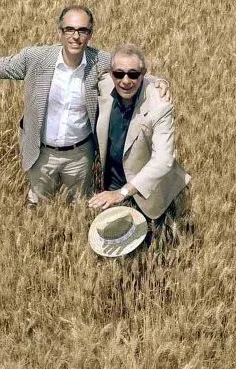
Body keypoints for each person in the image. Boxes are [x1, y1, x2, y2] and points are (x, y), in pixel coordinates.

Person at [0, 5, 170, 208]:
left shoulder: (99, 60)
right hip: (41, 153)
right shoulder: (36, 58)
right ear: (59, 32)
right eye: (69, 29)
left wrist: (158, 81)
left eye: (82, 30)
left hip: (80, 156)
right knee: (38, 205)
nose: (76, 36)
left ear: (90, 34)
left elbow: (130, 69)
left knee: (78, 206)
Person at [87, 43, 190, 238]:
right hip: (110, 186)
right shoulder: (104, 84)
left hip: (146, 192)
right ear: (111, 73)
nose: (126, 81)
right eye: (119, 74)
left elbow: (163, 160)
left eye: (133, 74)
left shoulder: (159, 104)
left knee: (150, 249)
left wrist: (123, 193)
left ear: (143, 74)